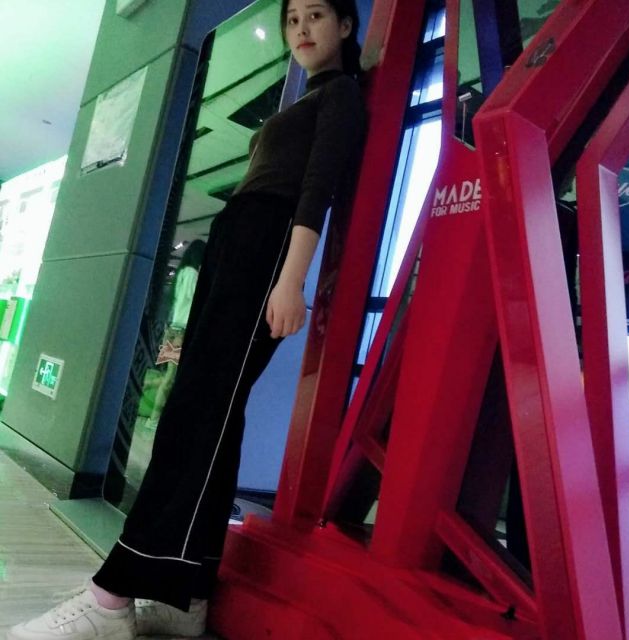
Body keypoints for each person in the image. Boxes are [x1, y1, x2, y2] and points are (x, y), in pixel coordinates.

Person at [9, 0, 367, 638]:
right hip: (240, 244)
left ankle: (113, 595)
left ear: (345, 25)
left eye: (316, 16)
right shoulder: (309, 99)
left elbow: (318, 191)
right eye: (292, 20)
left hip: (267, 247)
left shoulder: (340, 96)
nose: (301, 29)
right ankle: (186, 594)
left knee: (199, 414)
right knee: (206, 414)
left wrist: (291, 280)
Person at [145, 239, 207, 432]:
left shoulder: (181, 273)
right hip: (181, 332)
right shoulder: (191, 274)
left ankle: (146, 385)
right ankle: (154, 419)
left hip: (173, 329)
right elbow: (196, 300)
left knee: (171, 376)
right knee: (172, 378)